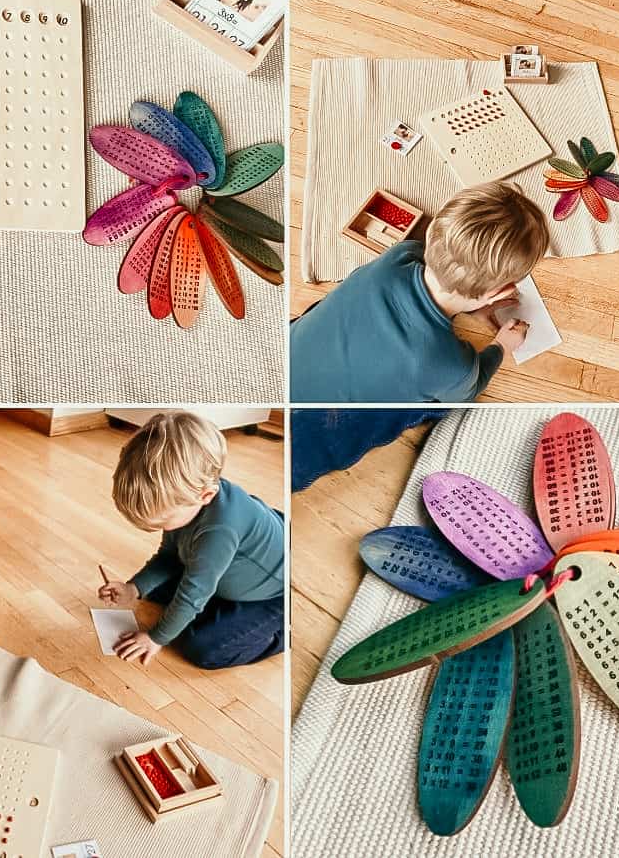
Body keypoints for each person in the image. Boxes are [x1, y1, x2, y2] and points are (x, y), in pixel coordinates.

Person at [290, 181, 549, 402]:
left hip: (288, 349)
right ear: (499, 293)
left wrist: (476, 304)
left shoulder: (399, 255)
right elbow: (469, 390)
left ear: (433, 231)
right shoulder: (453, 366)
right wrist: (501, 345)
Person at [99, 412, 284, 670]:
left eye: (164, 523)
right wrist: (134, 588)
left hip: (273, 596)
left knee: (203, 648)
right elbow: (170, 557)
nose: (164, 530)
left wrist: (155, 638)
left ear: (205, 495)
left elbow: (191, 595)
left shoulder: (220, 531)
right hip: (223, 569)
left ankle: (282, 632)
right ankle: (211, 599)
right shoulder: (188, 499)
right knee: (157, 590)